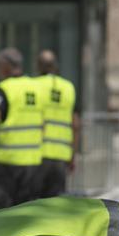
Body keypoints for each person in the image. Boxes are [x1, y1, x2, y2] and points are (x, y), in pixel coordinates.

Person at [0, 48, 43, 211]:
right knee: (26, 210)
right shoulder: (36, 87)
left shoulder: (5, 88)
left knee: (1, 210)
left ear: (5, 66)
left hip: (8, 161)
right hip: (32, 160)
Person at [34, 50, 81, 198]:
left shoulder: (33, 86)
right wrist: (73, 154)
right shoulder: (68, 88)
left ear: (38, 66)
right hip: (61, 156)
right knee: (55, 205)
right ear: (55, 66)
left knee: (34, 204)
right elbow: (76, 125)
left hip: (37, 155)